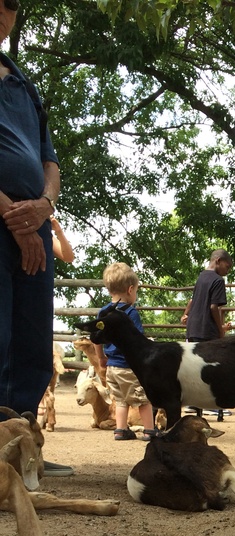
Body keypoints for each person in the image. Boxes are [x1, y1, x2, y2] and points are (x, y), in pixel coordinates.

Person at [0, 1, 72, 476]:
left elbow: (50, 160)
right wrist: (10, 212)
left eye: (10, 4)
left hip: (35, 223)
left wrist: (44, 206)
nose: (2, 10)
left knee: (31, 334)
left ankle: (27, 446)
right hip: (5, 219)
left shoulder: (23, 83)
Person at [96, 262, 159, 441]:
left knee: (121, 399)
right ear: (130, 289)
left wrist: (101, 357)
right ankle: (149, 430)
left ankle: (121, 430)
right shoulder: (130, 313)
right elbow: (136, 339)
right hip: (130, 366)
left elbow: (96, 338)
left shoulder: (103, 312)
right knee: (143, 398)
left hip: (112, 367)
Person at [182, 248, 233, 421]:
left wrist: (187, 316)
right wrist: (220, 330)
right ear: (218, 260)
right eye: (227, 266)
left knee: (194, 369)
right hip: (207, 330)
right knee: (215, 369)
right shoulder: (218, 280)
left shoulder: (201, 277)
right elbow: (214, 307)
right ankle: (216, 406)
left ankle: (197, 408)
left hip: (193, 328)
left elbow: (194, 300)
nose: (227, 271)